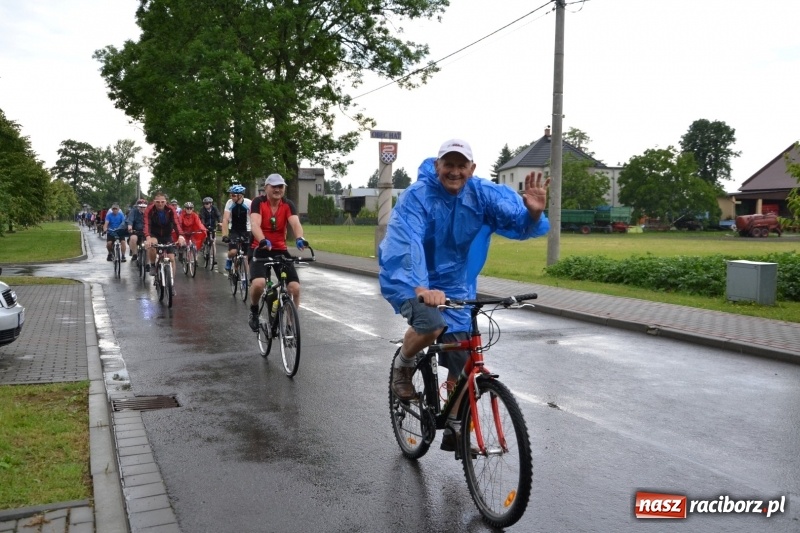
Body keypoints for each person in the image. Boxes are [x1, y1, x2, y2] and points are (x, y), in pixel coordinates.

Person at [378, 138, 550, 451]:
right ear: (437, 166)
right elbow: (407, 241)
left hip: (454, 284)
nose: (454, 171)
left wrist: (533, 214)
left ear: (472, 169)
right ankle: (403, 366)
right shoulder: (419, 195)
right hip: (408, 275)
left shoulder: (482, 194)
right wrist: (421, 287)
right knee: (431, 324)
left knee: (465, 358)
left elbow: (517, 222)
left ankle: (455, 426)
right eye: (449, 164)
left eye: (461, 165)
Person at [247, 174, 308, 332]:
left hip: (280, 249)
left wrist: (300, 238)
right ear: (266, 188)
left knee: (294, 288)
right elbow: (255, 224)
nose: (277, 189)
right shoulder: (258, 202)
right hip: (259, 248)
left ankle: (290, 325)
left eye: (280, 186)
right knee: (259, 284)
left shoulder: (287, 204)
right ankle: (254, 310)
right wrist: (262, 240)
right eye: (274, 186)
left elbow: (295, 223)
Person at [143, 192, 185, 287]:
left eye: (162, 202)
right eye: (158, 202)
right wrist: (148, 237)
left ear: (166, 202)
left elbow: (176, 223)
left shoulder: (170, 209)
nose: (160, 204)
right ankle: (153, 265)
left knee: (171, 258)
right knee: (152, 245)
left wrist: (180, 236)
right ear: (154, 202)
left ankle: (171, 284)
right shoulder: (149, 210)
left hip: (167, 234)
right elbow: (146, 224)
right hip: (154, 234)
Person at [220, 184, 252, 272]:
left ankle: (245, 276)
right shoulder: (229, 203)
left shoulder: (249, 203)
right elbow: (225, 219)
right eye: (230, 195)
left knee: (246, 257)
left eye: (233, 195)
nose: (231, 197)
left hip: (246, 230)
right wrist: (224, 235)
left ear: (240, 196)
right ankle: (229, 259)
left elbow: (254, 217)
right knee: (233, 251)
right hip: (234, 230)